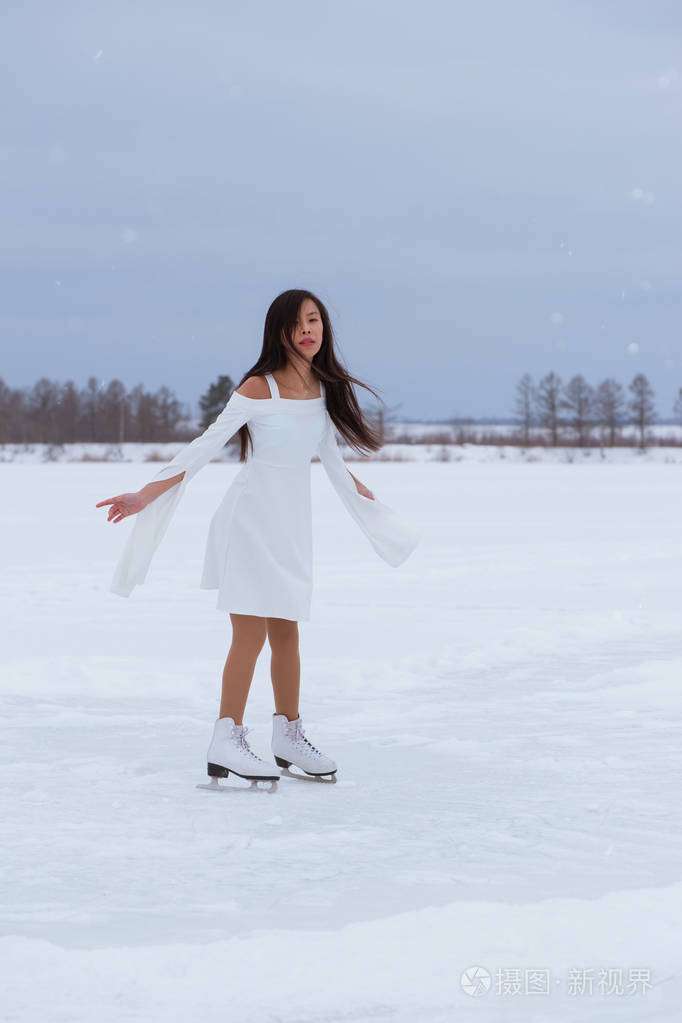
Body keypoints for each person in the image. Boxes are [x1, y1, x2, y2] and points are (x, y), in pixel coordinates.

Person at [96, 289, 420, 786]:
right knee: (248, 634)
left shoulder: (320, 391)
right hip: (248, 522)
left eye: (315, 321)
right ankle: (226, 740)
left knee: (288, 633)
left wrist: (373, 507)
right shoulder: (257, 389)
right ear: (280, 332)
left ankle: (288, 735)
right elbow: (202, 449)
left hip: (291, 527)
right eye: (299, 323)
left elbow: (333, 465)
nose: (309, 330)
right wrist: (146, 493)